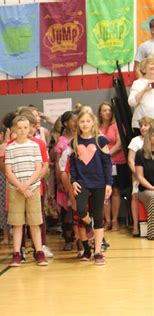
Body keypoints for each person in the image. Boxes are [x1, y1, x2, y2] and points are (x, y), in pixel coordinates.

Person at [70, 111, 112, 265]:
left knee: (99, 216)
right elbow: (73, 165)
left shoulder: (100, 140)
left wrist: (108, 183)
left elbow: (107, 163)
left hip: (100, 183)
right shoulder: (74, 142)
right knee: (81, 210)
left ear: (93, 122)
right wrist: (73, 181)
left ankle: (98, 253)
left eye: (88, 121)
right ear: (78, 124)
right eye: (82, 121)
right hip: (83, 182)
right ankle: (90, 224)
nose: (85, 124)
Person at [5, 115, 48, 267]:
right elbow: (8, 171)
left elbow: (38, 168)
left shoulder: (35, 146)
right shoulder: (10, 148)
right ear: (14, 129)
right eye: (19, 128)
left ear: (30, 128)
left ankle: (39, 252)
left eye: (25, 127)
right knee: (17, 224)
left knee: (35, 223)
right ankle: (16, 254)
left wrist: (28, 185)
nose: (22, 130)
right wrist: (20, 186)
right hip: (16, 190)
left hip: (33, 189)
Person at [98, 102, 129, 231]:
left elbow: (119, 144)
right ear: (100, 113)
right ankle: (107, 220)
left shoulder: (117, 126)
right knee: (104, 193)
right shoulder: (96, 127)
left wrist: (107, 155)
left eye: (109, 110)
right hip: (101, 164)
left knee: (115, 190)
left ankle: (115, 220)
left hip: (117, 161)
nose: (107, 113)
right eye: (104, 110)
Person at [54, 111, 77, 250]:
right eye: (72, 120)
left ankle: (81, 238)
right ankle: (68, 238)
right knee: (66, 210)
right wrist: (59, 181)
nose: (75, 123)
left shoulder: (81, 138)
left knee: (78, 208)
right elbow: (57, 162)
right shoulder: (61, 141)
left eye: (76, 120)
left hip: (79, 179)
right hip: (65, 178)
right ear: (65, 123)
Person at [128, 117, 152, 237]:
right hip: (138, 175)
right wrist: (138, 175)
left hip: (151, 174)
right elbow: (130, 160)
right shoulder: (135, 140)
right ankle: (136, 226)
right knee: (135, 195)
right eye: (141, 125)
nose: (143, 128)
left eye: (146, 125)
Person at [134, 123, 154, 240]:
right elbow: (140, 177)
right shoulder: (140, 154)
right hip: (146, 190)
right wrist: (152, 187)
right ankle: (152, 233)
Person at [129, 55, 154, 135]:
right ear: (144, 68)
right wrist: (144, 90)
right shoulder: (138, 83)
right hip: (142, 126)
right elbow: (131, 102)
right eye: (151, 63)